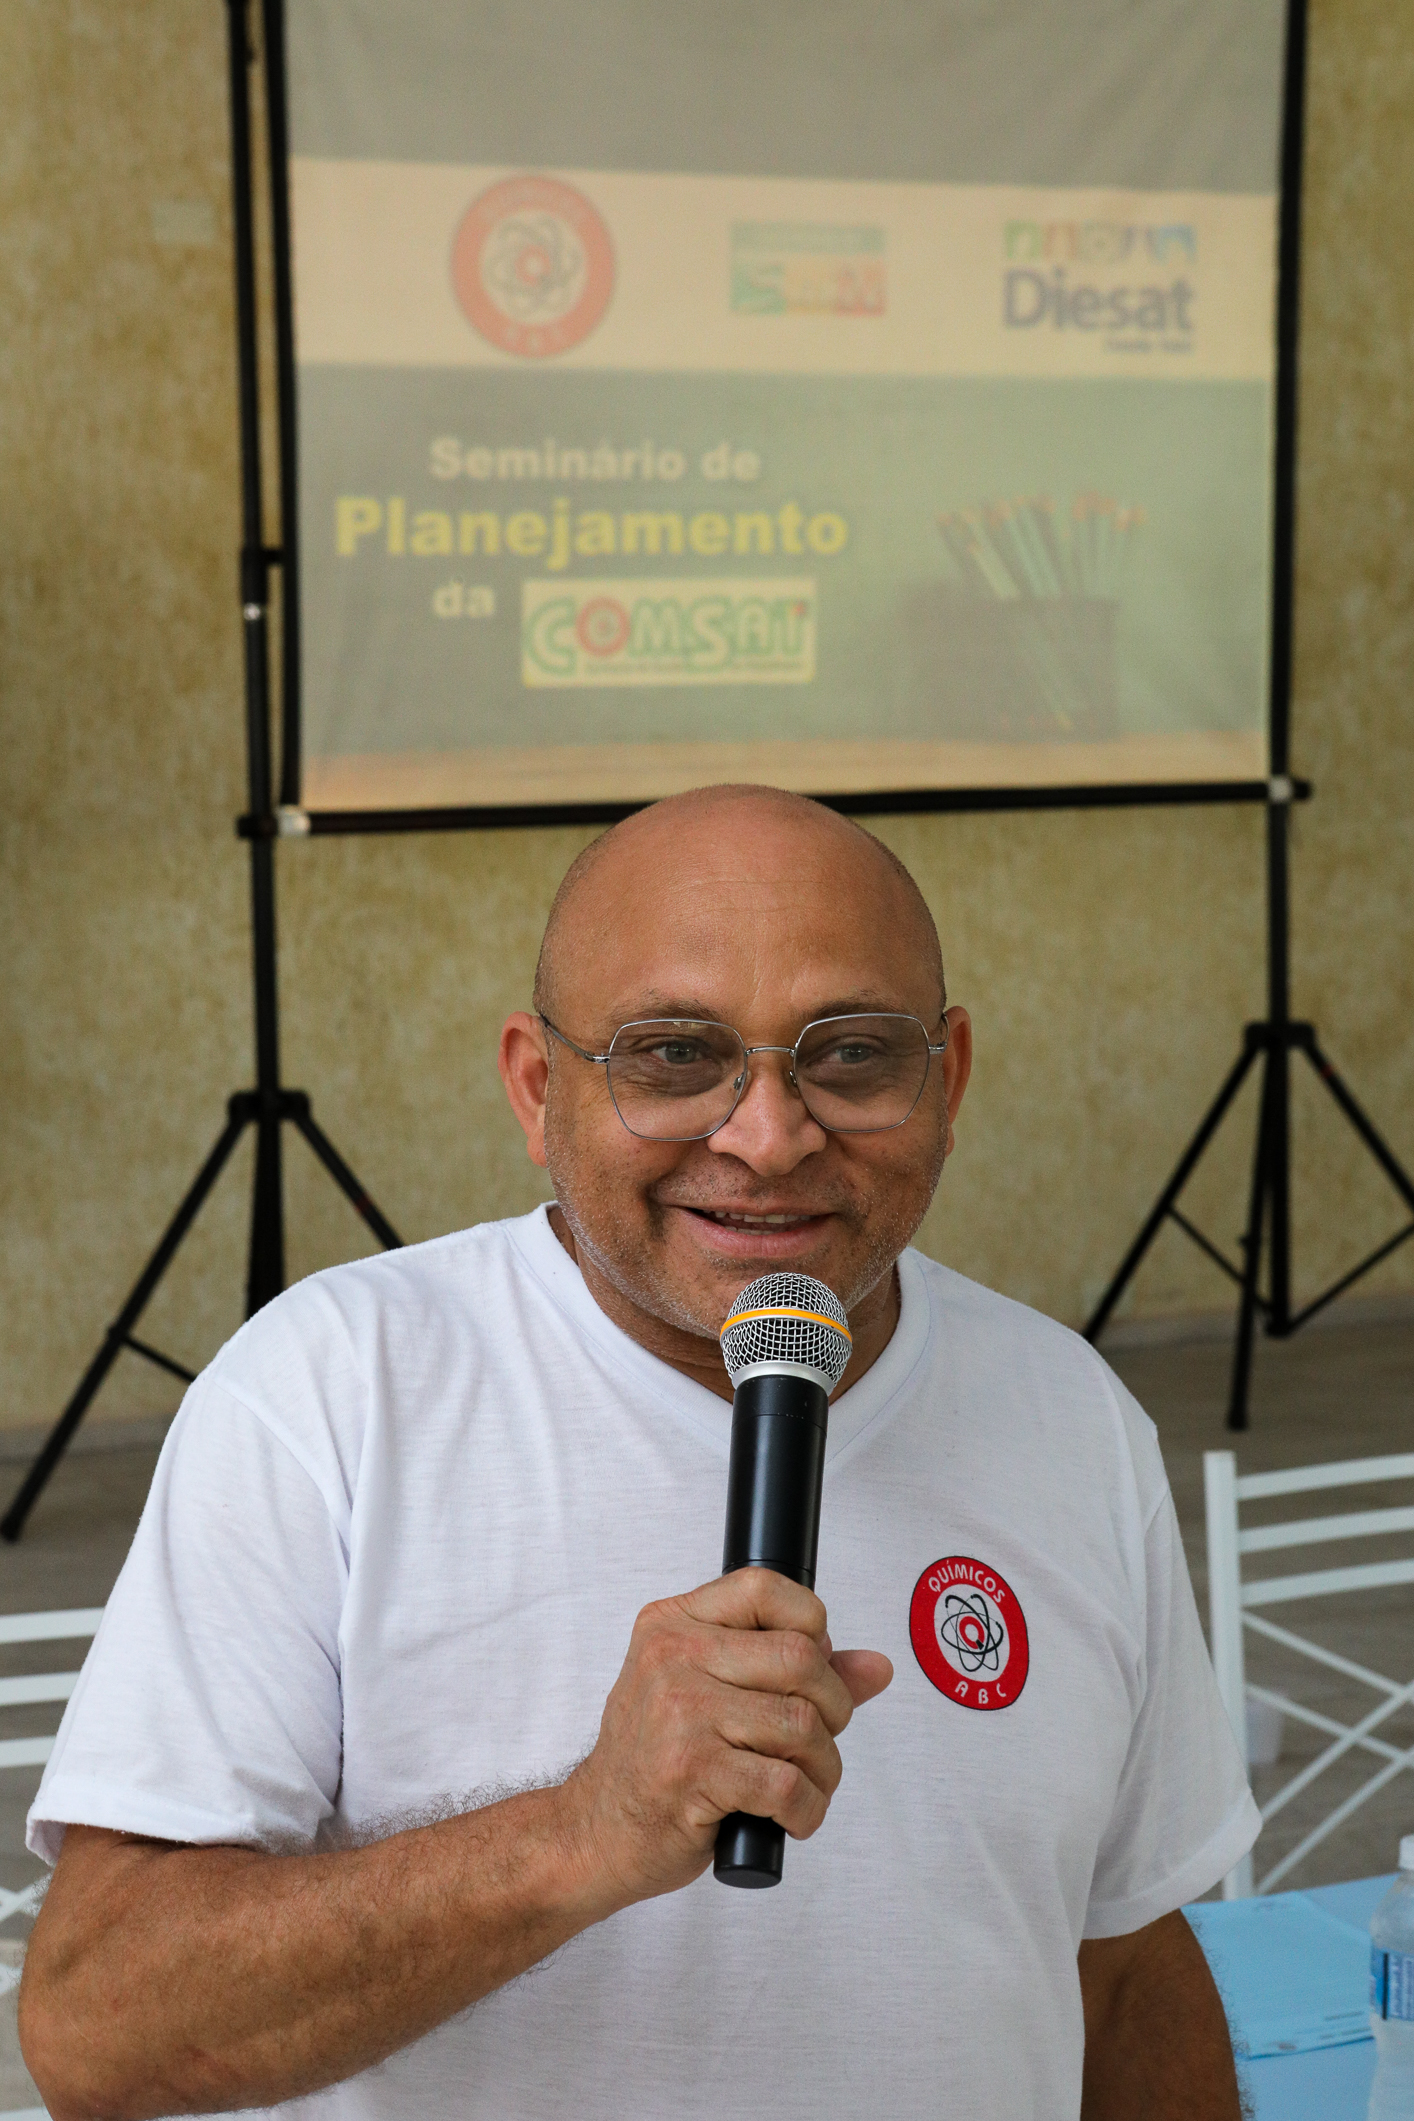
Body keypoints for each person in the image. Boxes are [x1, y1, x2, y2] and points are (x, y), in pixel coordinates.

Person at [20, 784, 1258, 2121]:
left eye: (849, 1054)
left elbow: (1119, 1966)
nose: (768, 1137)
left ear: (944, 1079)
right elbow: (99, 2032)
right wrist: (580, 1832)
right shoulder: (329, 1395)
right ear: (537, 1084)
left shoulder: (1068, 1414)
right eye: (676, 1055)